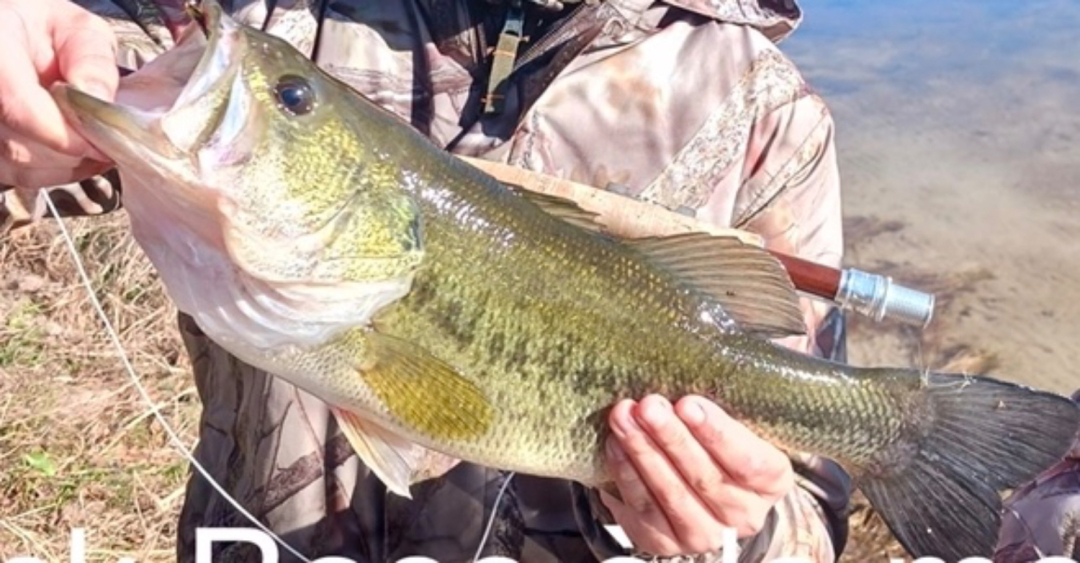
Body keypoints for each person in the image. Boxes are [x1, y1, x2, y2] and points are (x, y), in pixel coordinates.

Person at [0, 0, 1073, 561]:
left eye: (291, 103)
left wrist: (723, 526)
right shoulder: (267, 19)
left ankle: (907, 424)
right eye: (292, 103)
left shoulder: (768, 118)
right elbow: (77, 86)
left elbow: (801, 527)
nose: (262, 93)